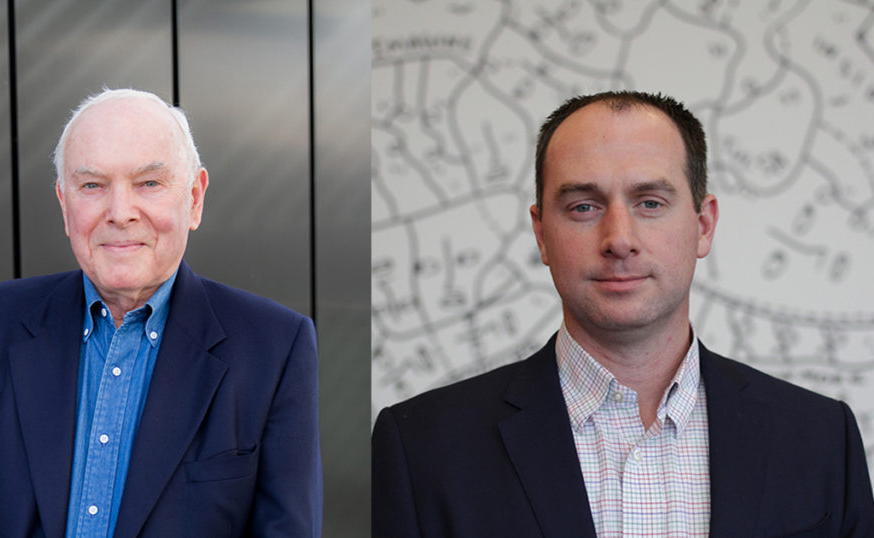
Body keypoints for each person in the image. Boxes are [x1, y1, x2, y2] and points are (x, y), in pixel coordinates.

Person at [372, 91, 874, 537]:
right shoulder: (422, 448)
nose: (619, 239)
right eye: (583, 207)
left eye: (650, 202)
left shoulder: (821, 439)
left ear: (703, 224)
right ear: (542, 233)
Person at [0, 88, 321, 537]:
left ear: (194, 198)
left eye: (149, 184)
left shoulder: (275, 348)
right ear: (65, 204)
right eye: (93, 186)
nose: (120, 213)